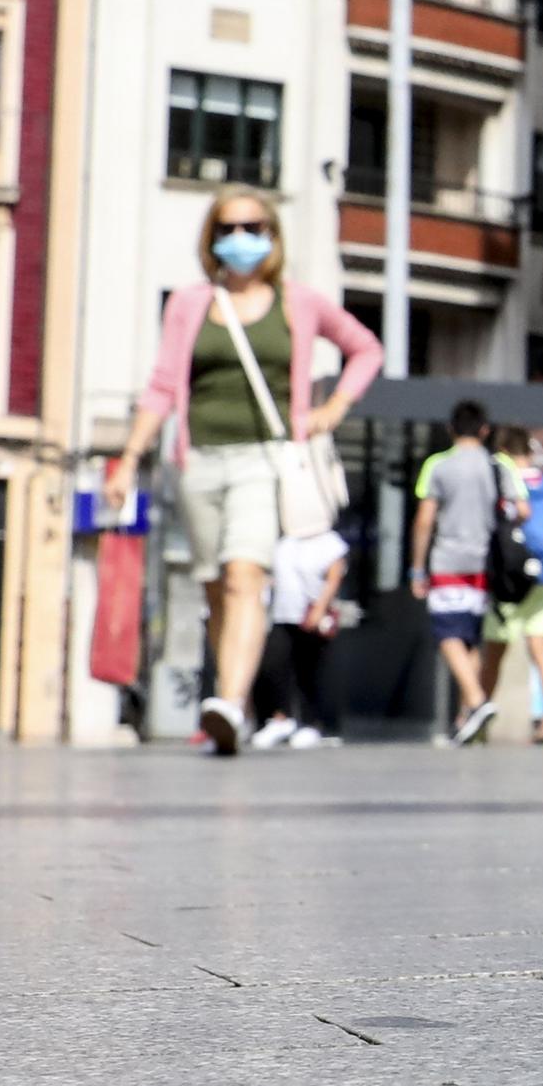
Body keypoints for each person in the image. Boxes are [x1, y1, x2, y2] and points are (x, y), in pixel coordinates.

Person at [104, 185, 383, 754]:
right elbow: (161, 386)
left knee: (244, 578)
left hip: (267, 458)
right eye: (227, 229)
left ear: (272, 236)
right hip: (199, 460)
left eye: (252, 228)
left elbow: (366, 349)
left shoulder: (298, 302)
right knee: (215, 591)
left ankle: (228, 702)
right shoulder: (189, 304)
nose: (240, 239)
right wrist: (129, 458)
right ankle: (240, 708)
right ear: (211, 239)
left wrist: (333, 408)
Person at [411, 400, 527, 746]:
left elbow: (424, 520)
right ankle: (468, 717)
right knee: (469, 637)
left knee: (447, 632)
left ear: (450, 429)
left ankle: (476, 702)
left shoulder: (438, 465)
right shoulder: (499, 465)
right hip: (483, 562)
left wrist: (418, 567)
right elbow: (523, 509)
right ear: (484, 430)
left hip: (448, 559)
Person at [477, 426, 543, 744]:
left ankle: (476, 717)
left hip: (510, 576)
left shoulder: (503, 476)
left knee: (495, 648)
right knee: (542, 648)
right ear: (529, 451)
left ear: (502, 450)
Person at [251, 529, 348, 750]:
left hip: (311, 613)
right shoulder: (283, 541)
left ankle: (310, 723)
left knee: (309, 671)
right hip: (281, 613)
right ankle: (280, 718)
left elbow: (335, 576)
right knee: (273, 664)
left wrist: (321, 607)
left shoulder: (329, 541)